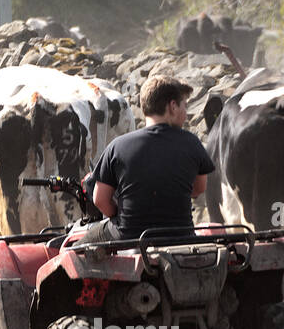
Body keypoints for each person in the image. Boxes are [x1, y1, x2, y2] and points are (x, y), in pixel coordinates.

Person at [84, 74, 215, 241]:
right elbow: (199, 188)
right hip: (182, 236)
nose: (186, 113)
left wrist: (119, 216)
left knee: (74, 247)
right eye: (185, 105)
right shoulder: (192, 143)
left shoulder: (118, 146)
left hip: (128, 235)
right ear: (172, 106)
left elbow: (99, 199)